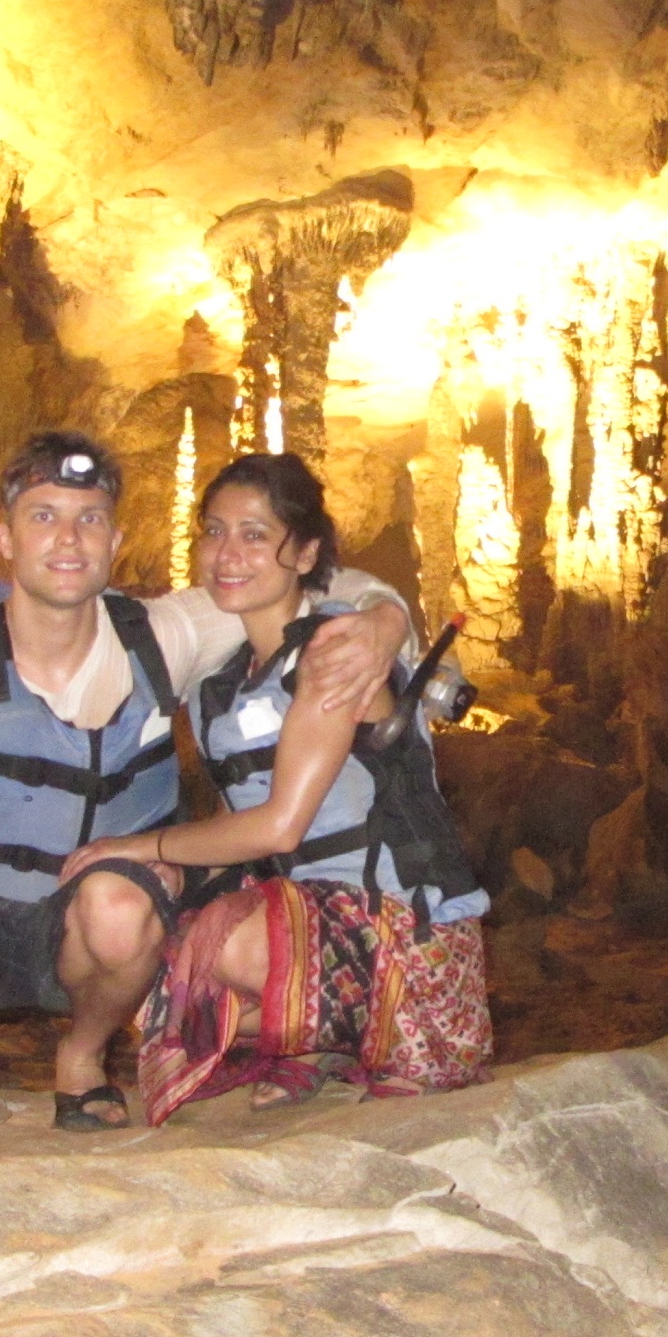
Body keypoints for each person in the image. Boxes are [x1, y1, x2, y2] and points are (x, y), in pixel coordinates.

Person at [0, 431, 414, 1134]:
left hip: (104, 934)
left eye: (89, 518)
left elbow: (304, 578)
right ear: (4, 537)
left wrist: (385, 620)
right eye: (43, 516)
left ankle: (82, 1057)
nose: (68, 539)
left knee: (118, 906)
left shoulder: (163, 636)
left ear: (115, 540)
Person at [61, 453, 491, 1122]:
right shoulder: (219, 688)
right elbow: (240, 833)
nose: (227, 553)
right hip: (308, 919)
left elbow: (279, 826)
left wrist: (144, 845)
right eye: (214, 531)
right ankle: (313, 1043)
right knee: (138, 953)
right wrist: (166, 883)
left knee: (221, 947)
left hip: (403, 928)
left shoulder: (339, 652)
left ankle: (378, 1038)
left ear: (306, 553)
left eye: (255, 534)